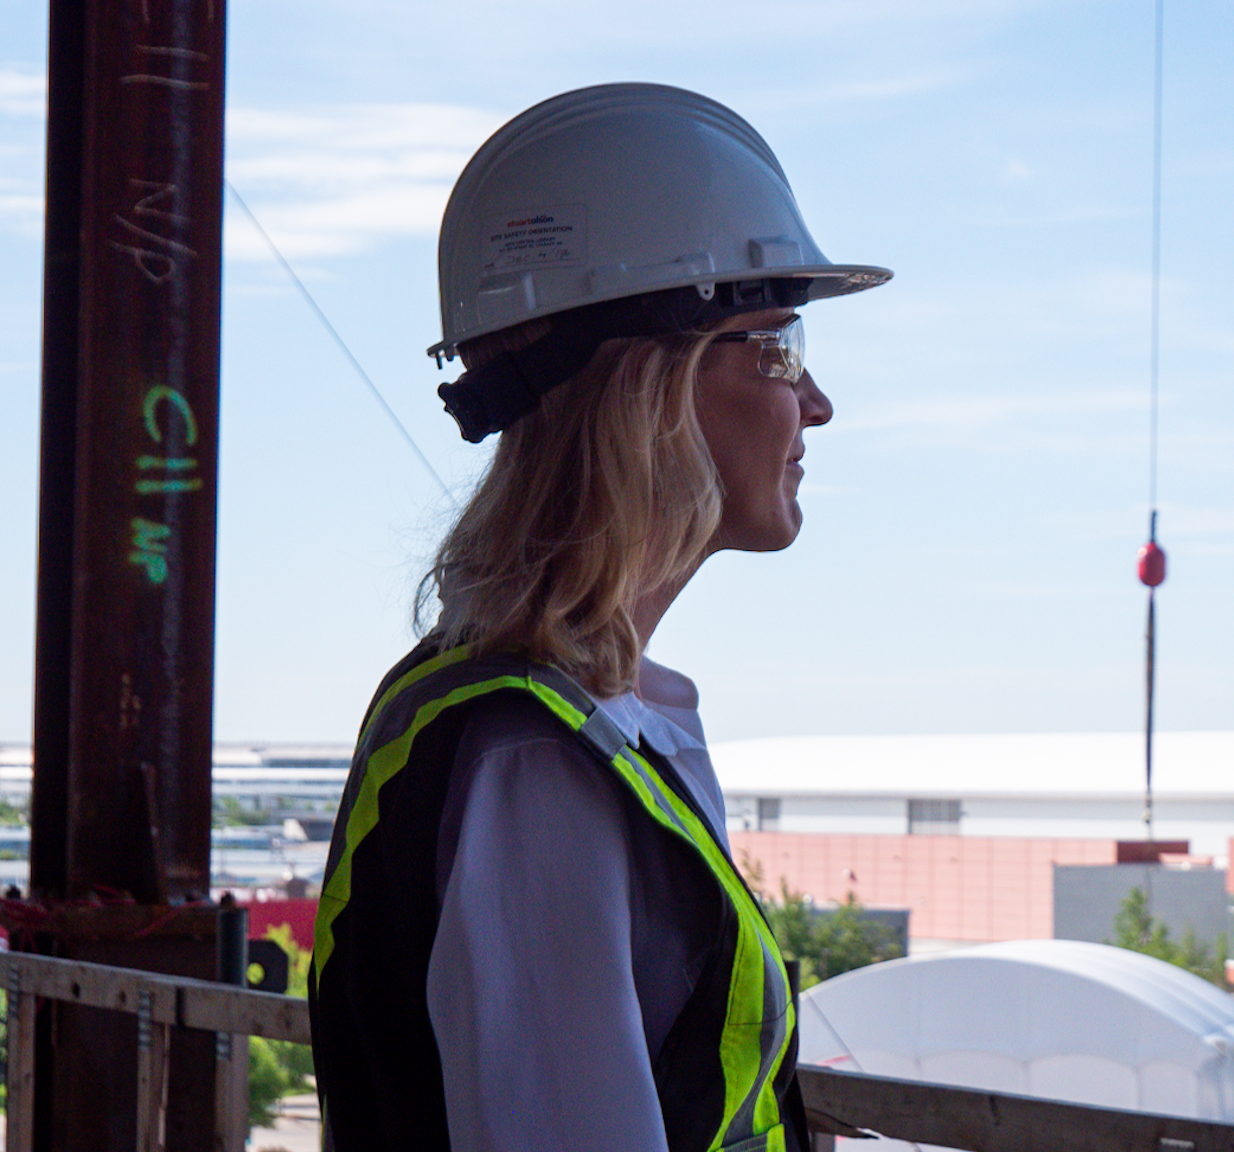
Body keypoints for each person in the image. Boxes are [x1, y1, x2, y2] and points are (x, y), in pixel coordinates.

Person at [307, 83, 890, 1152]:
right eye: (775, 344)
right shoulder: (535, 758)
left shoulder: (590, 717)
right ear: (649, 387)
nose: (813, 403)